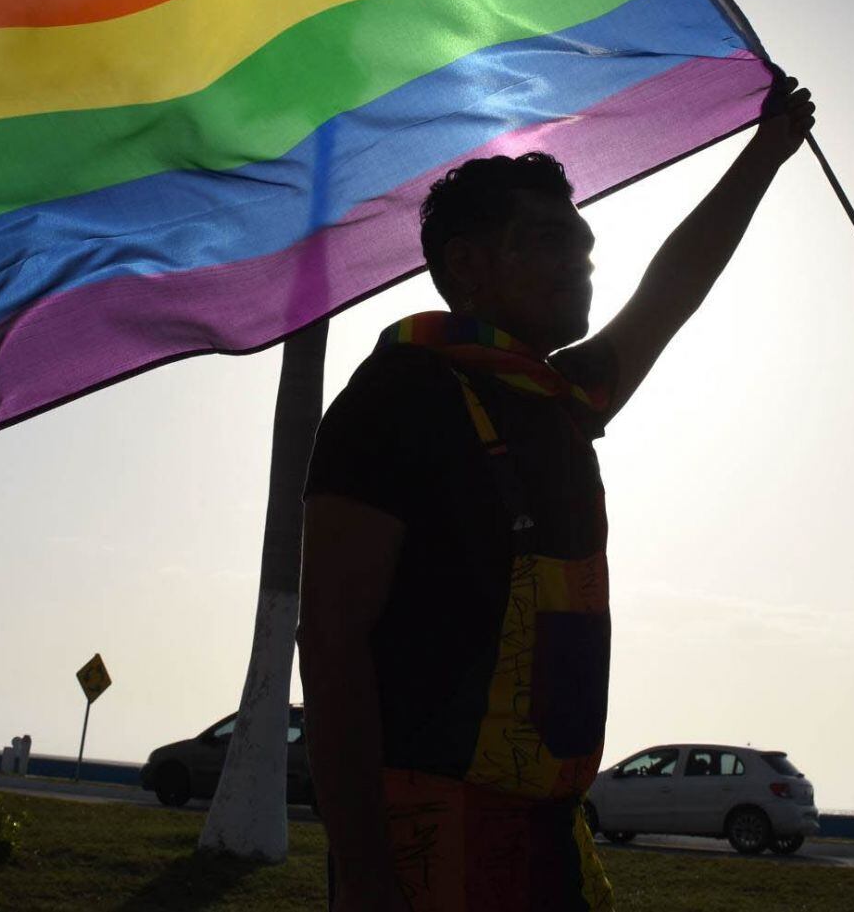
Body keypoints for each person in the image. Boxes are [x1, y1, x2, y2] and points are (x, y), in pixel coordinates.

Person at [299, 80, 816, 912]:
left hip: (551, 838)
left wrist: (765, 153)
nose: (582, 261)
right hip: (427, 837)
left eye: (585, 244)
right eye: (549, 240)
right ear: (466, 265)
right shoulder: (397, 396)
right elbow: (330, 640)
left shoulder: (561, 400)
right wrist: (362, 873)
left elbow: (670, 291)